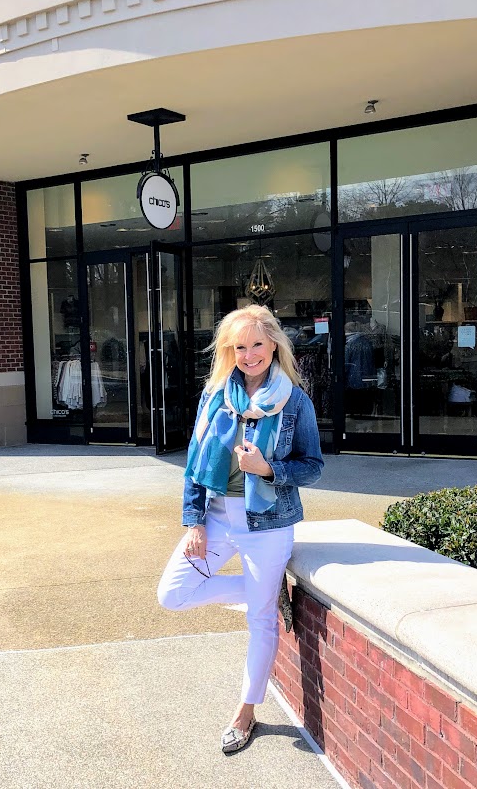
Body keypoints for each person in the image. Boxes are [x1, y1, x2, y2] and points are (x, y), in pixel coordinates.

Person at [157, 304, 324, 754]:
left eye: (256, 344)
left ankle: (245, 713)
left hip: (267, 525)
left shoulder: (294, 401)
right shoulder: (215, 397)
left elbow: (313, 466)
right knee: (173, 594)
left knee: (259, 623)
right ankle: (265, 593)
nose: (249, 354)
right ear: (228, 351)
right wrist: (193, 521)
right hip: (215, 518)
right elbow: (193, 466)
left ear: (273, 344)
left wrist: (269, 469)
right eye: (239, 346)